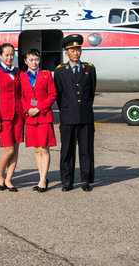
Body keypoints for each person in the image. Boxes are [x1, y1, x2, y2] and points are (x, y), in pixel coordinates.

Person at [53, 34, 97, 192]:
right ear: (66, 53)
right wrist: (67, 109)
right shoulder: (59, 72)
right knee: (67, 151)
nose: (76, 53)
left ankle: (86, 180)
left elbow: (90, 93)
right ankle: (67, 180)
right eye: (72, 50)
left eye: (78, 49)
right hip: (68, 116)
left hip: (85, 116)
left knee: (86, 150)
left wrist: (82, 108)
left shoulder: (89, 69)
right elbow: (58, 95)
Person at [19, 48, 57, 193]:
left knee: (44, 148)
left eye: (36, 59)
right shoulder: (22, 77)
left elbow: (52, 95)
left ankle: (43, 180)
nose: (34, 62)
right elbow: (21, 96)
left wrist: (39, 108)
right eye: (31, 60)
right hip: (30, 117)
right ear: (25, 61)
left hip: (44, 116)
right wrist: (28, 109)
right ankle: (41, 177)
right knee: (36, 149)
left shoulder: (46, 75)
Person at [0, 43, 24, 192]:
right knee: (8, 150)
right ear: (0, 55)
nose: (9, 57)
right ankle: (0, 176)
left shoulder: (18, 72)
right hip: (3, 117)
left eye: (12, 54)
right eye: (6, 55)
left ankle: (9, 180)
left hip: (18, 115)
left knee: (16, 150)